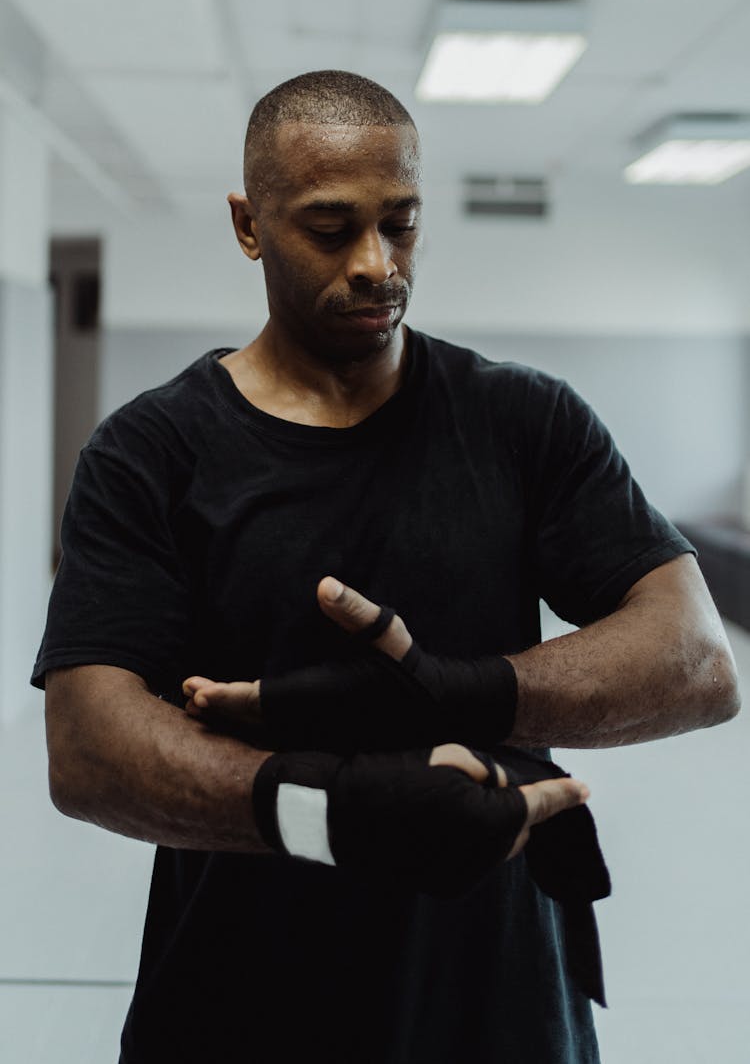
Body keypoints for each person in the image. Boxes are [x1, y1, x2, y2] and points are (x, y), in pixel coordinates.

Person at [35, 71, 739, 1064]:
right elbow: (88, 748)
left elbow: (698, 661)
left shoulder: (522, 420)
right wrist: (332, 812)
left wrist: (455, 692)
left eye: (400, 225)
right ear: (250, 224)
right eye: (331, 228)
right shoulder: (152, 452)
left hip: (498, 1004)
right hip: (238, 1005)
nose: (377, 263)